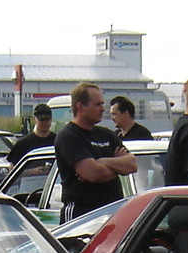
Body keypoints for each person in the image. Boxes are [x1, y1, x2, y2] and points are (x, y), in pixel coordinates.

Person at [54, 82, 135, 221]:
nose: (103, 109)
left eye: (102, 104)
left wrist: (102, 162)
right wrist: (117, 168)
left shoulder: (106, 134)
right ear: (80, 106)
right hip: (82, 215)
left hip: (112, 212)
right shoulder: (69, 136)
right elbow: (93, 173)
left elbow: (132, 164)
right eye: (97, 104)